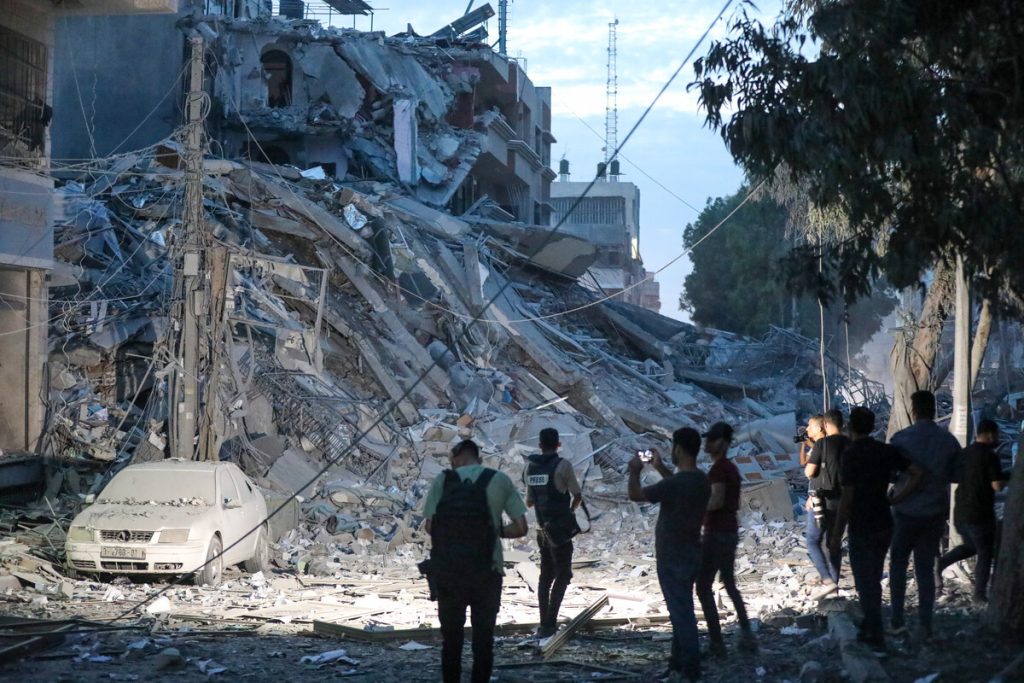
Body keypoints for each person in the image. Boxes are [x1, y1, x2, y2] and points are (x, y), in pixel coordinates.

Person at [422, 439, 528, 683]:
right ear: (478, 457)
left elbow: (430, 526)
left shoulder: (444, 480)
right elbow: (521, 527)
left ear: (457, 458)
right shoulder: (499, 479)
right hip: (487, 570)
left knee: (451, 641)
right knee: (483, 641)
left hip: (449, 572)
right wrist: (492, 530)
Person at [830, 407, 924, 649]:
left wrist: (836, 533)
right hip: (884, 520)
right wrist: (898, 498)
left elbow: (847, 497)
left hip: (861, 523)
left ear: (851, 426)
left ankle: (875, 632)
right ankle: (871, 625)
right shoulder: (885, 451)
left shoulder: (850, 455)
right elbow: (916, 473)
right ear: (872, 427)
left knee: (865, 580)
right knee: (873, 576)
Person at [627, 428, 709, 683]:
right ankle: (677, 665)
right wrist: (660, 467)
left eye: (673, 447)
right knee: (681, 609)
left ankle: (690, 671)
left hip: (673, 556)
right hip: (692, 551)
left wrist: (635, 471)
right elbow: (674, 485)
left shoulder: (677, 483)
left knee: (681, 615)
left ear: (679, 449)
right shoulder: (700, 479)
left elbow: (636, 495)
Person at [888, 390, 962, 637]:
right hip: (934, 514)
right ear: (933, 410)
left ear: (914, 410)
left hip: (905, 513)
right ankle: (925, 622)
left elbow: (891, 475)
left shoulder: (900, 439)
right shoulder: (948, 441)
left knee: (898, 564)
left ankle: (897, 618)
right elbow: (957, 476)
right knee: (925, 568)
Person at [695, 421, 758, 657]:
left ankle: (717, 643)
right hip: (727, 531)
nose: (706, 443)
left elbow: (717, 500)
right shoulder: (728, 467)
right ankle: (746, 635)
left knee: (703, 587)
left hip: (717, 533)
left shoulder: (719, 469)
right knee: (729, 584)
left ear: (720, 443)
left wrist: (695, 506)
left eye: (710, 439)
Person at [936, 419, 1008, 602]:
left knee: (971, 546)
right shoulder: (990, 456)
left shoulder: (965, 453)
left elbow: (953, 477)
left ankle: (941, 563)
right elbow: (998, 486)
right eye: (996, 435)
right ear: (990, 435)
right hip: (980, 512)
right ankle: (980, 595)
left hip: (960, 511)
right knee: (985, 553)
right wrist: (1009, 475)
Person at [525, 427, 583, 638]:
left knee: (546, 575)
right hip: (559, 530)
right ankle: (550, 622)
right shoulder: (563, 465)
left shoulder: (530, 467)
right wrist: (570, 512)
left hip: (542, 529)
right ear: (559, 445)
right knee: (564, 573)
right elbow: (577, 495)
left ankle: (544, 624)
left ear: (540, 446)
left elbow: (529, 502)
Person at [804, 408, 850, 598]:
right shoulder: (850, 444)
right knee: (834, 543)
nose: (807, 429)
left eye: (809, 426)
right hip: (845, 501)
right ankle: (834, 583)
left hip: (823, 501)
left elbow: (809, 472)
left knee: (812, 541)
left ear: (824, 425)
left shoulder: (822, 444)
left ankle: (827, 580)